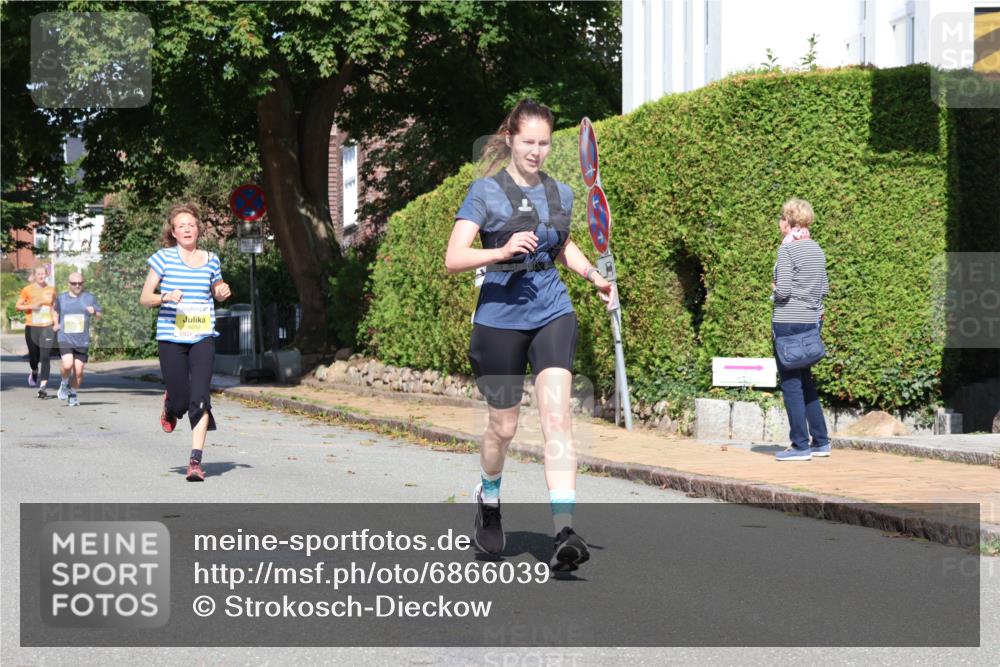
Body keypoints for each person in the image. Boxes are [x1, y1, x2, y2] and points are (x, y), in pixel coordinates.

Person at [445, 99, 613, 571]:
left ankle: (564, 531)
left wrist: (591, 276)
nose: (537, 152)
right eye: (529, 143)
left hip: (551, 312)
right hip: (498, 318)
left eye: (544, 143)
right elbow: (454, 257)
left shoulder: (561, 193)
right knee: (504, 427)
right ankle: (489, 495)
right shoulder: (485, 192)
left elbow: (562, 245)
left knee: (557, 418)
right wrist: (498, 253)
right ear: (511, 140)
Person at [140, 202, 231, 481]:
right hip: (171, 338)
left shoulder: (212, 259)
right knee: (181, 401)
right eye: (181, 226)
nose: (187, 229)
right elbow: (145, 298)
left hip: (202, 336)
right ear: (174, 232)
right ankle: (171, 405)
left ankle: (195, 461)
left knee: (201, 398)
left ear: (198, 229)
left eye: (191, 224)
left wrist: (222, 291)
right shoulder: (163, 258)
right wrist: (164, 296)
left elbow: (217, 289)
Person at [770, 198, 830, 461]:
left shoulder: (787, 251)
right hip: (809, 321)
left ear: (789, 222)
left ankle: (799, 446)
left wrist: (773, 290)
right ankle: (821, 442)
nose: (779, 222)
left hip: (787, 322)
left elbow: (783, 290)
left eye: (782, 218)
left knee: (792, 384)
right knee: (805, 381)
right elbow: (824, 288)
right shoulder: (816, 249)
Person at [52, 272, 102, 406]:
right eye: (74, 283)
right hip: (65, 337)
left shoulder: (90, 298)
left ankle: (73, 394)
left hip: (82, 339)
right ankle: (64, 383)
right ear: (69, 284)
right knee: (67, 364)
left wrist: (95, 312)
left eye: (80, 283)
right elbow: (55, 311)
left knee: (79, 371)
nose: (77, 285)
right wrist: (56, 324)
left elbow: (99, 315)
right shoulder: (62, 298)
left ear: (83, 283)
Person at [15, 263, 57, 398]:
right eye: (38, 274)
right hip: (32, 326)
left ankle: (43, 387)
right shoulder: (27, 289)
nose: (41, 276)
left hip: (47, 327)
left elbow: (54, 308)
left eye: (43, 274)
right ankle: (34, 371)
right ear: (34, 275)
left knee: (45, 357)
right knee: (34, 357)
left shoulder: (51, 290)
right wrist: (33, 305)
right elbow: (18, 306)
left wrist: (56, 322)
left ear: (46, 274)